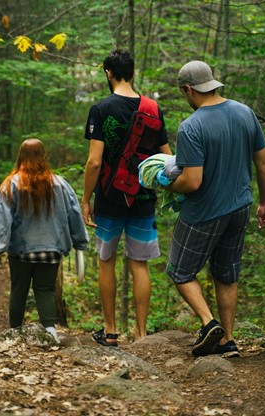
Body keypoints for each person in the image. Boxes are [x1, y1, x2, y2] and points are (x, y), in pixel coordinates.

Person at [168, 60, 265, 357]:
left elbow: (191, 181)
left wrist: (166, 185)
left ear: (188, 89)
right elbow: (263, 163)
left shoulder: (191, 127)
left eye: (182, 92)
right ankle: (228, 340)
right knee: (226, 273)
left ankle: (208, 323)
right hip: (239, 207)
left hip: (203, 213)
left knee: (179, 269)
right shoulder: (245, 113)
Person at [81, 49, 172, 347]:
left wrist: (86, 199)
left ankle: (110, 331)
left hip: (109, 197)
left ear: (108, 73)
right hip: (143, 198)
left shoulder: (100, 108)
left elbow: (94, 162)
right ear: (133, 73)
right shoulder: (153, 108)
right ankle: (141, 334)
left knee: (106, 260)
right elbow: (166, 159)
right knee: (140, 264)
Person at [0, 138, 89, 343]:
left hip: (20, 251)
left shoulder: (11, 184)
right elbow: (74, 213)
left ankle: (14, 332)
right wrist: (79, 242)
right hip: (52, 248)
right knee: (45, 290)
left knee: (18, 290)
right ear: (44, 156)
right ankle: (50, 332)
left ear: (20, 157)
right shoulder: (60, 183)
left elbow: (1, 220)